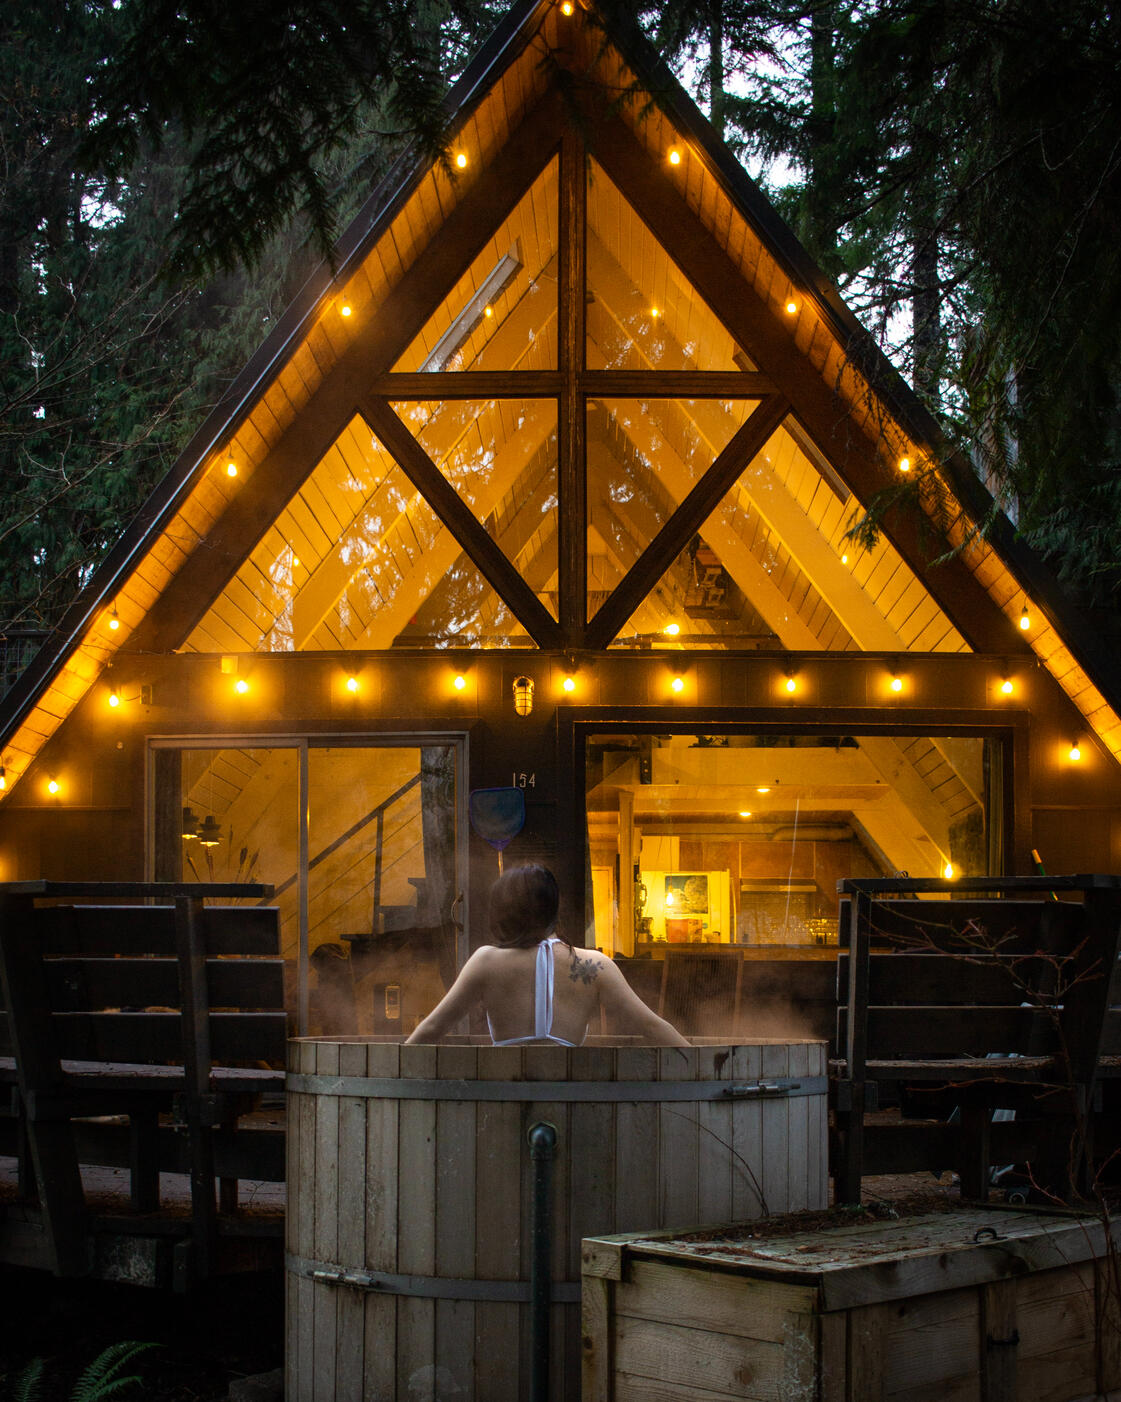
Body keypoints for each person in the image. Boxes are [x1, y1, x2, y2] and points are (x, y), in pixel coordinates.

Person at [406, 864, 688, 1046]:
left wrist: (390, 1074)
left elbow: (432, 1028)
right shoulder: (594, 966)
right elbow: (651, 1026)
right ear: (555, 908)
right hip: (569, 1098)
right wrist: (706, 1074)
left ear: (502, 912)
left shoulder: (486, 962)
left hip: (505, 1096)